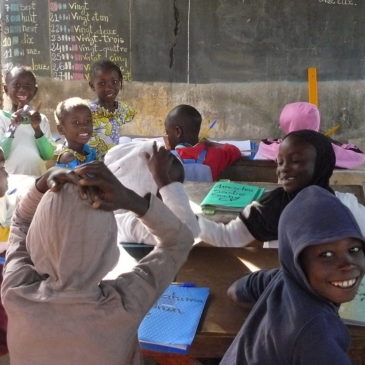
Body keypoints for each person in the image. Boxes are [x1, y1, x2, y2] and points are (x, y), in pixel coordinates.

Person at [1, 156, 194, 365]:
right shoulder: (126, 302)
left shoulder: (15, 291)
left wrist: (41, 183)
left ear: (36, 241)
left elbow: (20, 222)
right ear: (109, 244)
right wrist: (131, 200)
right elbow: (178, 242)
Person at [220, 185, 365, 364]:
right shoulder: (317, 335)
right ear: (298, 261)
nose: (347, 264)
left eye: (354, 249)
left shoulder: (282, 278)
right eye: (326, 255)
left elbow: (236, 290)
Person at [198, 129, 365, 248]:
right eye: (280, 162)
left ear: (321, 165)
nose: (283, 169)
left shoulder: (345, 207)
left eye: (296, 161)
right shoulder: (270, 207)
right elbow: (228, 237)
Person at [104, 140, 199, 244]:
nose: (169, 201)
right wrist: (162, 178)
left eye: (177, 189)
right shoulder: (120, 224)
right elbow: (184, 234)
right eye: (163, 191)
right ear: (136, 187)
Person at [254, 101, 365, 168]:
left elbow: (265, 144)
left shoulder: (280, 148)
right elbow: (358, 156)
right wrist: (335, 143)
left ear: (285, 122)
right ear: (316, 120)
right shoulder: (327, 148)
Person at [0, 66, 55, 176]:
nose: (22, 90)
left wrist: (37, 128)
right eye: (17, 85)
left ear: (35, 91)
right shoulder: (1, 118)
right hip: (8, 186)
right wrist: (12, 127)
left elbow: (48, 155)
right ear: (6, 89)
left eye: (28, 86)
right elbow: (2, 156)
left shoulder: (41, 120)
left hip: (36, 185)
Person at [164, 104, 242, 181]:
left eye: (167, 133)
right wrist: (212, 144)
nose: (167, 137)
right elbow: (235, 151)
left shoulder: (166, 159)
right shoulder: (216, 155)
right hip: (205, 193)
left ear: (178, 131)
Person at [88, 59, 136, 159]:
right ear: (92, 86)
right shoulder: (87, 111)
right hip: (91, 164)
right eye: (102, 83)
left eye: (114, 82)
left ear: (120, 83)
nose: (109, 87)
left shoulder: (124, 109)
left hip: (113, 161)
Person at [55, 97, 97, 168]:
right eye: (76, 122)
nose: (84, 126)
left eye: (87, 121)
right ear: (61, 129)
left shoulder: (89, 151)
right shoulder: (67, 157)